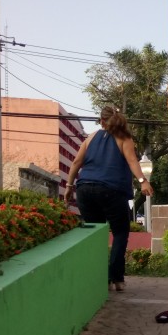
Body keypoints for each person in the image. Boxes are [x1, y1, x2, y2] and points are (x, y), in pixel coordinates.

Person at [64, 106, 153, 292]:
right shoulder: (124, 138)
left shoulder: (91, 137)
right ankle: (117, 279)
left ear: (101, 121)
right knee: (120, 233)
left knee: (96, 234)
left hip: (85, 189)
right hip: (112, 190)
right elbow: (132, 161)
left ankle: (99, 279)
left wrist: (69, 186)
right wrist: (143, 181)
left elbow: (76, 162)